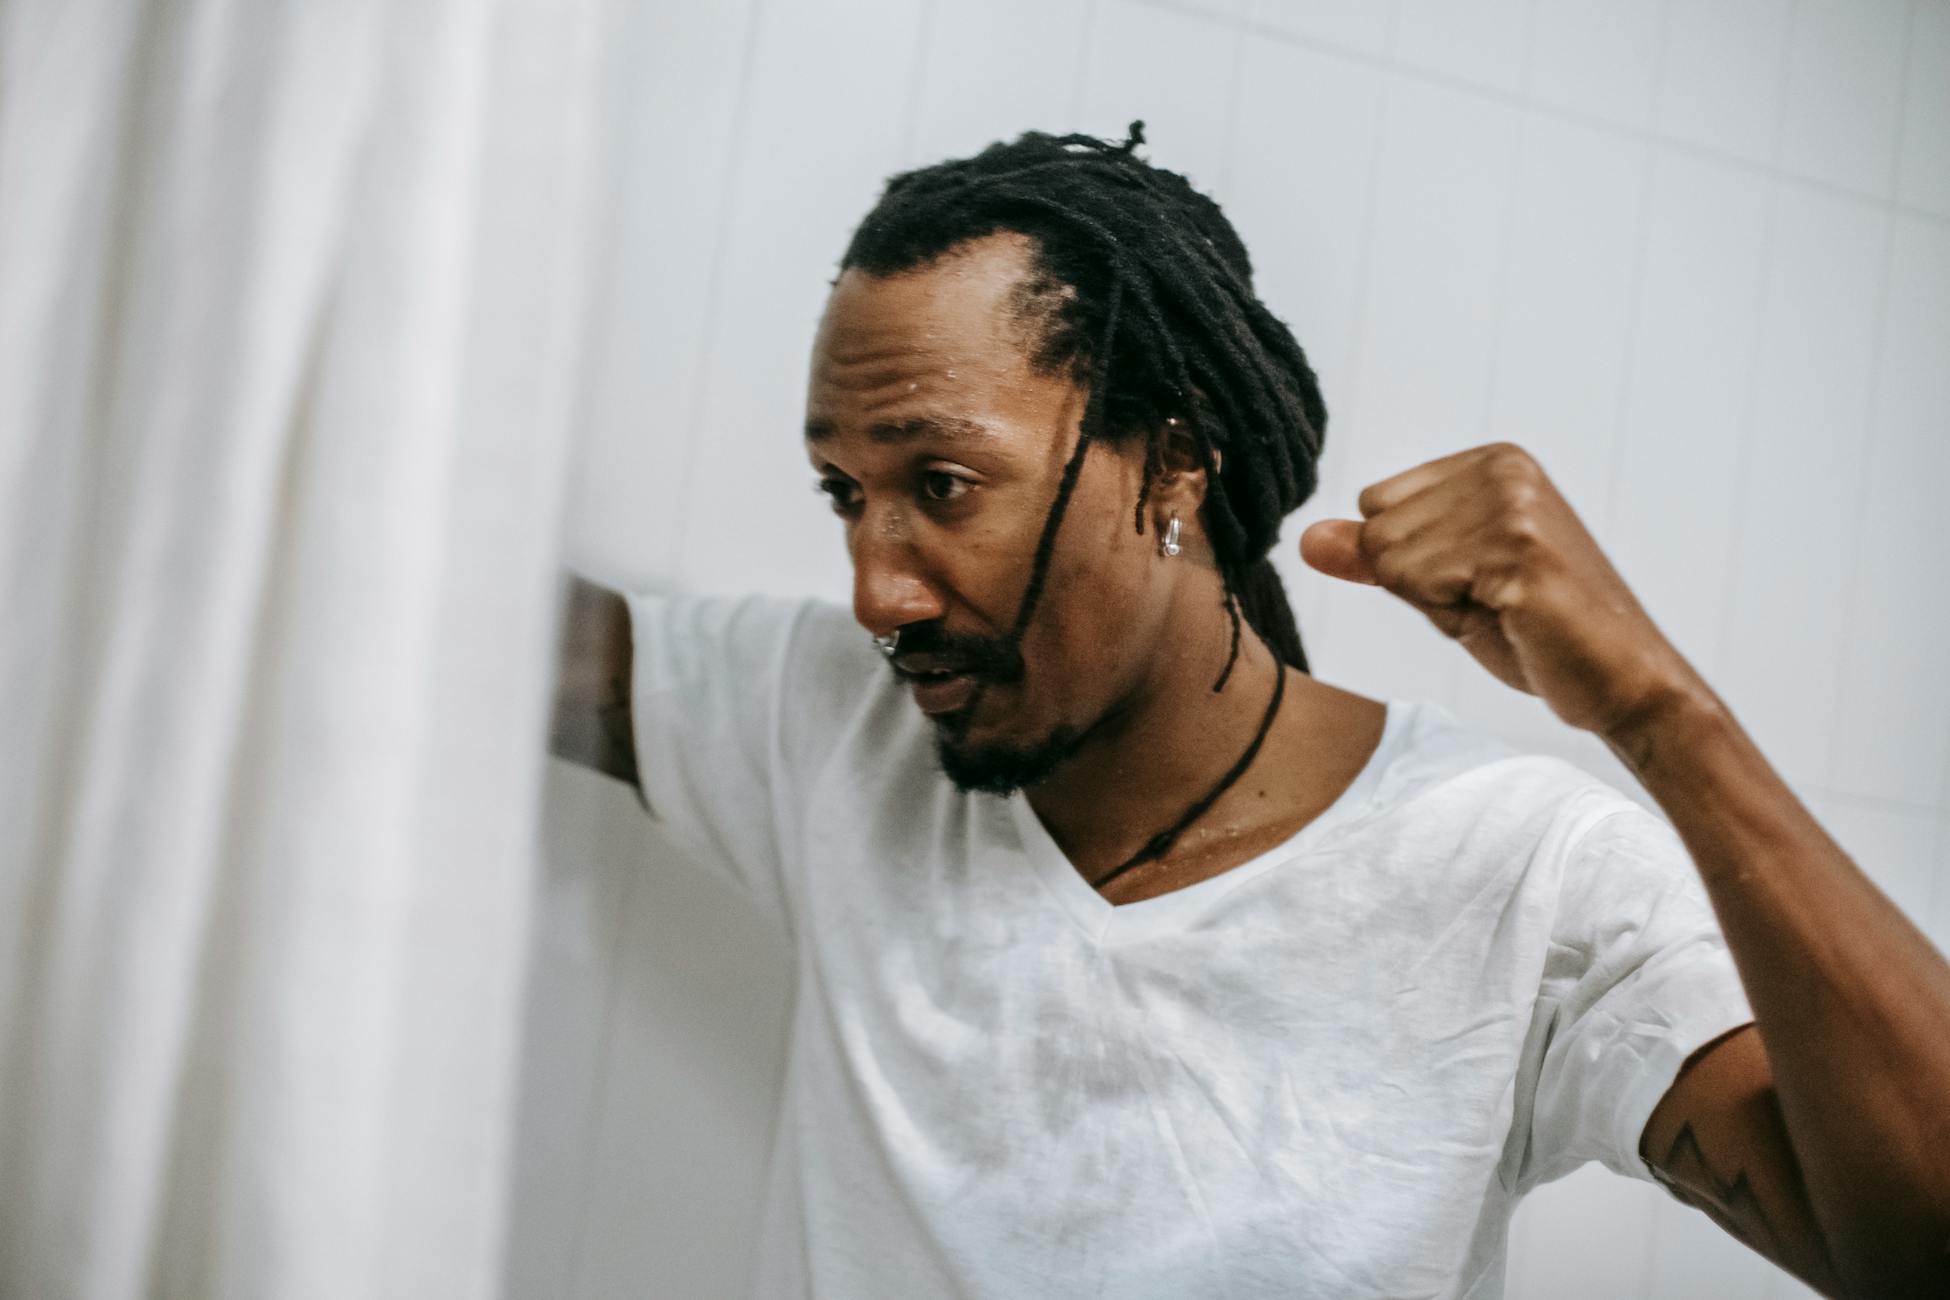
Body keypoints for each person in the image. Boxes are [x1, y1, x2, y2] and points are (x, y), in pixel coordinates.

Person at [550, 126, 1950, 1298]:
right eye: (844, 495)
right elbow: (446, 623)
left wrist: (1658, 713)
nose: (875, 591)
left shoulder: (1517, 873)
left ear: (1166, 469)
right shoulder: (828, 728)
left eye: (941, 486)